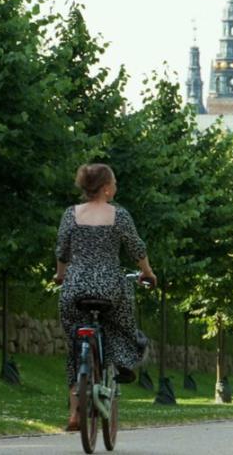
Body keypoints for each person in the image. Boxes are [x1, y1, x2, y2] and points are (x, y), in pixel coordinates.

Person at [54, 163, 157, 432]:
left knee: (76, 343)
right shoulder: (119, 215)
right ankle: (120, 362)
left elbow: (62, 250)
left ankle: (75, 413)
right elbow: (136, 247)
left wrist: (60, 276)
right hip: (110, 284)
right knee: (122, 325)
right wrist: (147, 272)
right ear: (107, 188)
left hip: (75, 286)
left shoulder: (70, 214)